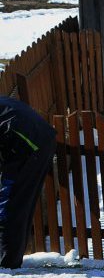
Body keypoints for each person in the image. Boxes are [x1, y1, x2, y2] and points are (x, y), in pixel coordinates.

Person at [0, 96, 55, 269]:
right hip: (36, 138)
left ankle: (6, 263)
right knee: (18, 204)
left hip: (28, 145)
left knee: (9, 206)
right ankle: (10, 258)